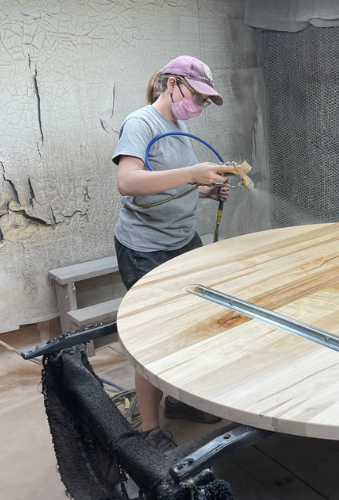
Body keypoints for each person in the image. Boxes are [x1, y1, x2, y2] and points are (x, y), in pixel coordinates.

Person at [112, 55, 230, 451]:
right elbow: (128, 182)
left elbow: (168, 185)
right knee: (153, 335)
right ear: (173, 83)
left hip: (182, 240)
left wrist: (205, 190)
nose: (197, 105)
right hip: (146, 248)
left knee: (188, 325)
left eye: (204, 100)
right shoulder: (141, 123)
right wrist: (193, 174)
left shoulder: (177, 126)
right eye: (196, 95)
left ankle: (178, 401)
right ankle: (148, 429)